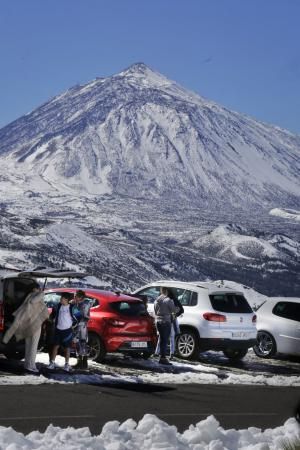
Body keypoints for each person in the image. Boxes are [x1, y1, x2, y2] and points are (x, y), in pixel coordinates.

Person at [2, 282, 49, 373]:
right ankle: (31, 365)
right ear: (35, 289)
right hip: (35, 325)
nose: (39, 289)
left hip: (28, 325)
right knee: (33, 346)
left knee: (28, 346)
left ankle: (27, 364)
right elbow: (34, 302)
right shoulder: (36, 296)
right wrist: (42, 294)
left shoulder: (28, 297)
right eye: (38, 288)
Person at [47, 293, 76, 372]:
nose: (60, 300)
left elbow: (79, 317)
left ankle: (66, 364)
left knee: (67, 348)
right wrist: (51, 319)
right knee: (55, 346)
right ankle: (52, 363)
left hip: (67, 331)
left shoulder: (72, 307)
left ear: (66, 299)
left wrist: (73, 326)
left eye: (62, 298)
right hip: (58, 329)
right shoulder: (58, 306)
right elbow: (52, 315)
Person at [154, 287, 176, 365]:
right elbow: (173, 310)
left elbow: (155, 311)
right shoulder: (168, 300)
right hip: (166, 321)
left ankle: (161, 355)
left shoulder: (156, 300)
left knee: (161, 338)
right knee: (165, 340)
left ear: (161, 291)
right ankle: (162, 358)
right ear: (166, 291)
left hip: (158, 321)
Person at [71, 290, 91, 369]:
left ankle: (82, 363)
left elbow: (80, 316)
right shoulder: (82, 303)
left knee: (80, 342)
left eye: (75, 296)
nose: (74, 297)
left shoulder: (83, 304)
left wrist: (74, 305)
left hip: (80, 326)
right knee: (81, 343)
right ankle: (82, 362)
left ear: (80, 297)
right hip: (82, 326)